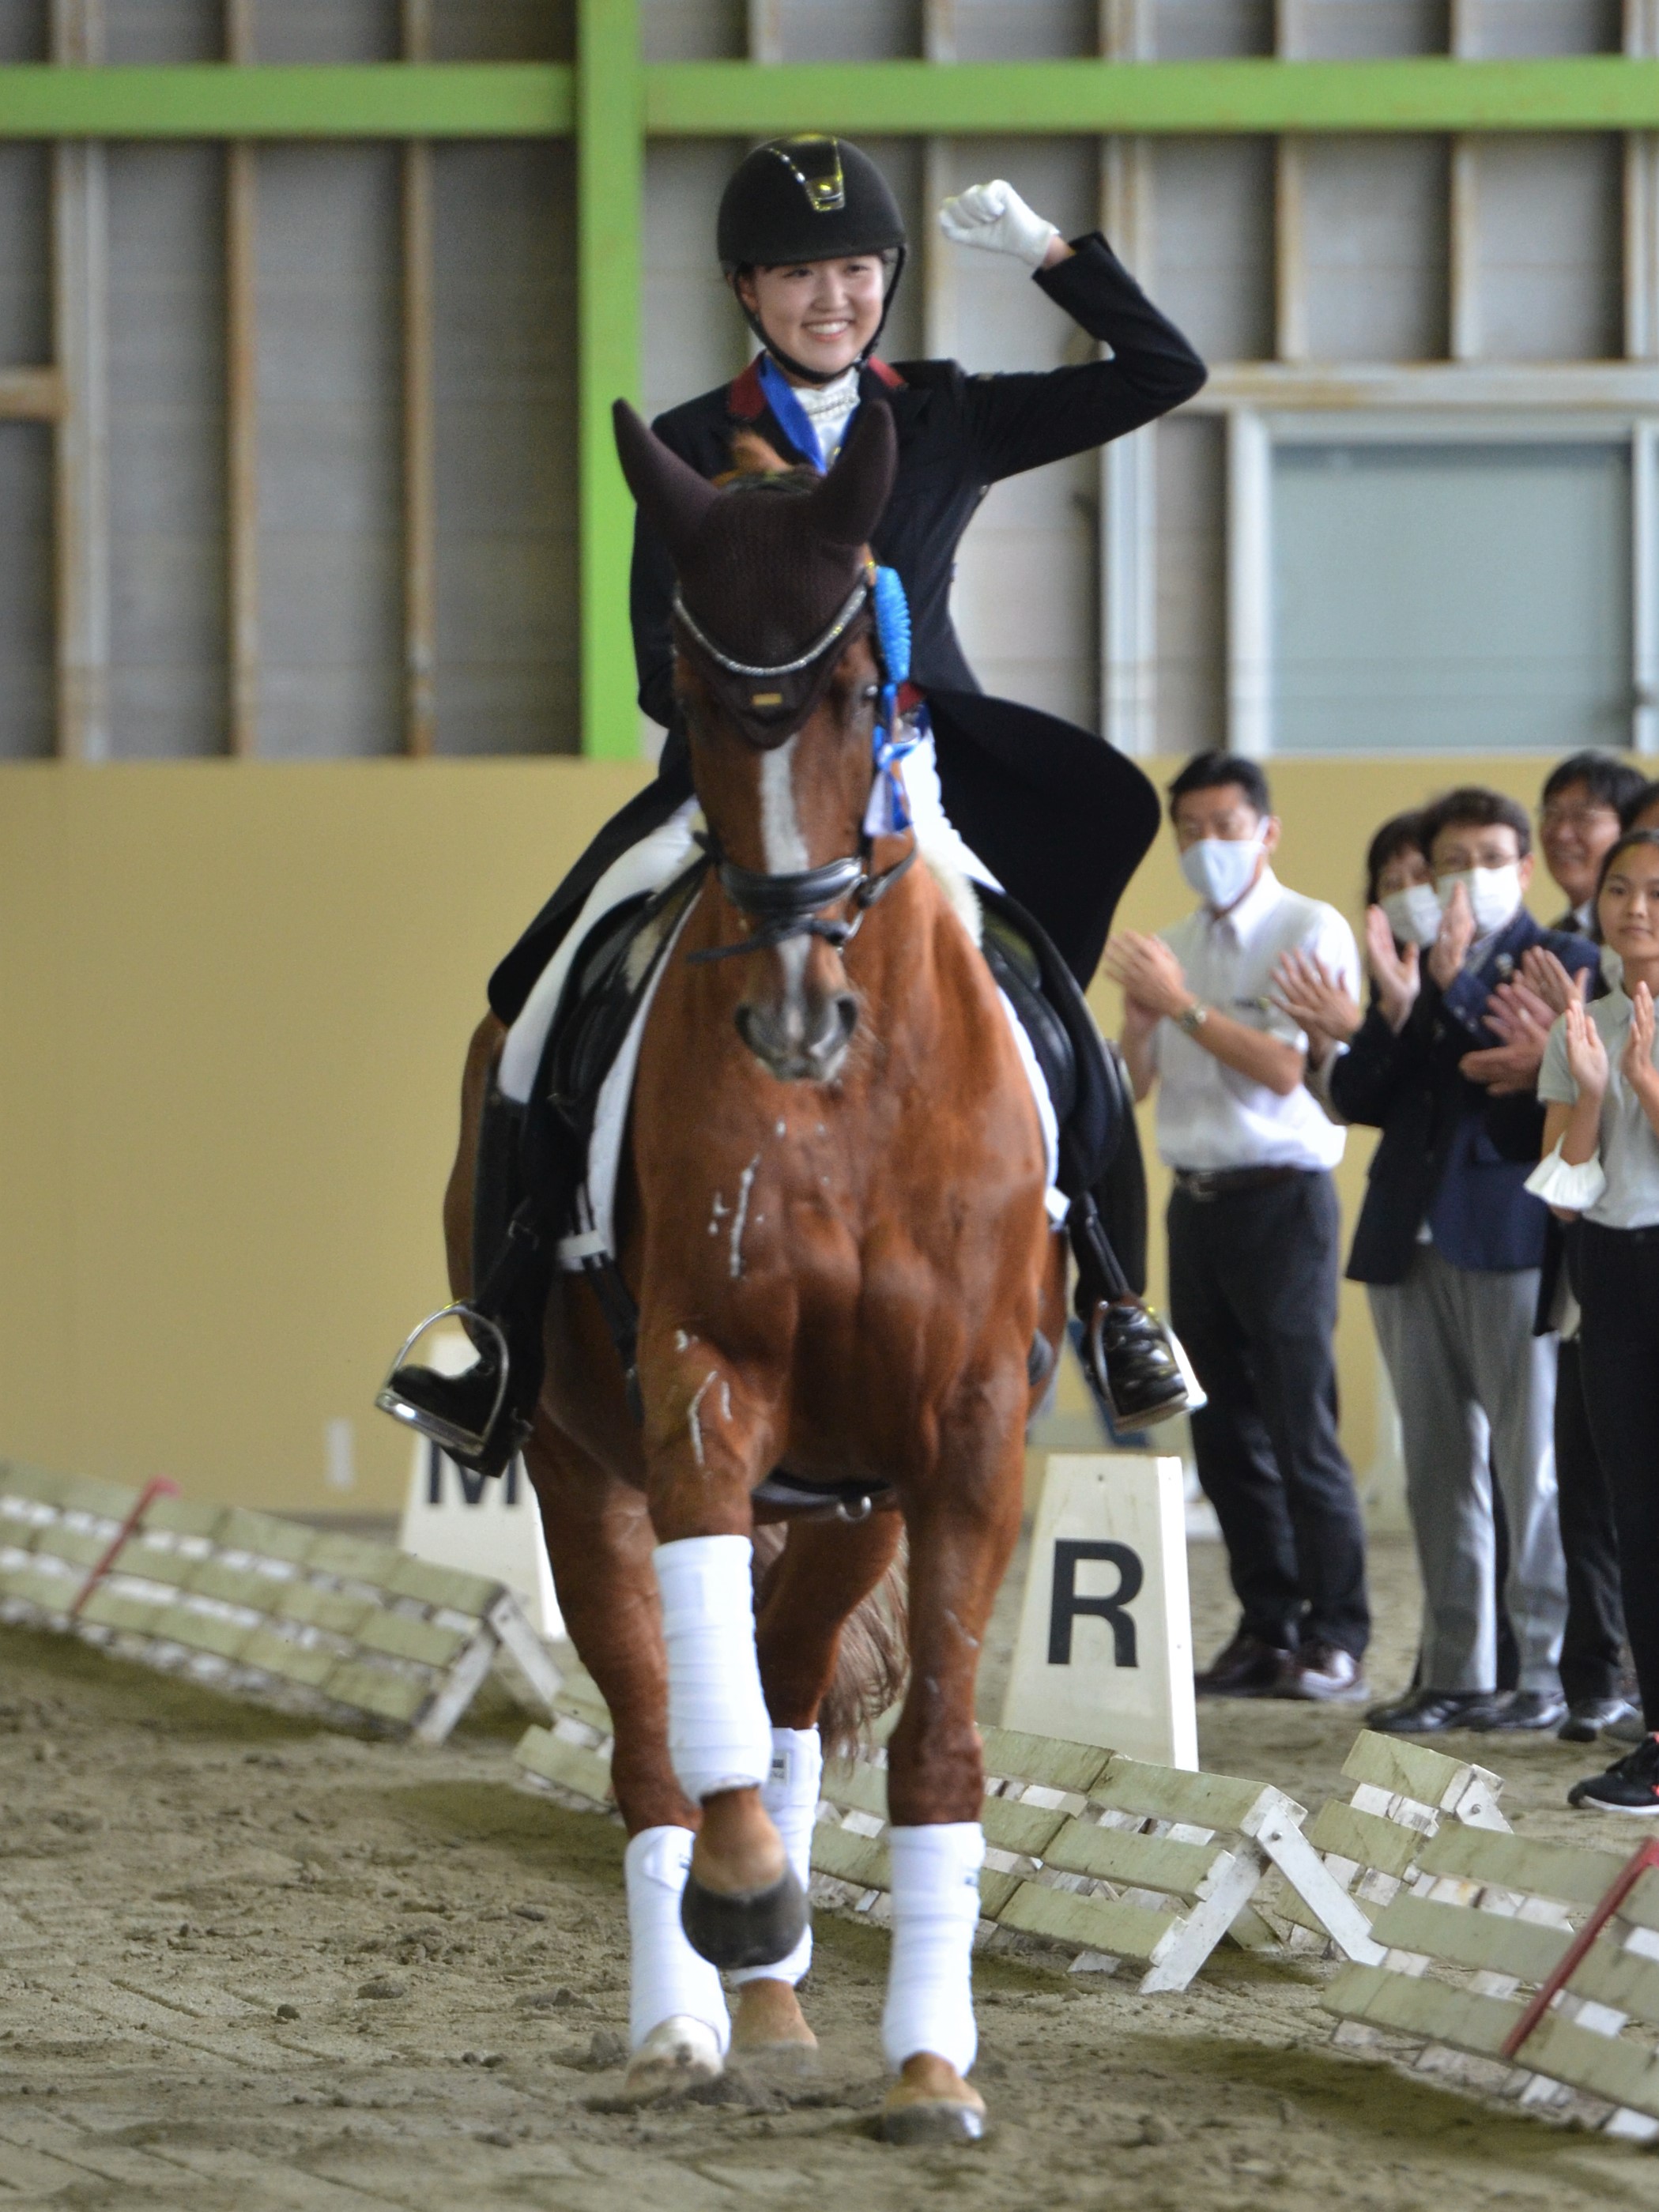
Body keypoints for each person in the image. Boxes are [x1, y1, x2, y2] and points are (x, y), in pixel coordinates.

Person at [383, 135, 1208, 1475]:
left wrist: (1052, 253)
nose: (830, 296)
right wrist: (766, 737)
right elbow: (661, 643)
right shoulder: (687, 445)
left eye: (854, 267)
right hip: (735, 788)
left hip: (907, 784)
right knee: (530, 1001)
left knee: (1053, 1005)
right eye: (796, 273)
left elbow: (1165, 373)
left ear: (885, 276)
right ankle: (493, 1328)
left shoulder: (943, 413)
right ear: (744, 289)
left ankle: (1117, 1302)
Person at [1103, 752, 1371, 1704]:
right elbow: (1134, 1086)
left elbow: (1284, 1069)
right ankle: (1267, 1626)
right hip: (1198, 1198)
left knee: (1302, 1427)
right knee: (1220, 1435)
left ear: (1266, 831)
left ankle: (1336, 1634)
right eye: (1190, 830)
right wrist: (1142, 1024)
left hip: (1283, 1198)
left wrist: (1178, 1004)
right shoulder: (1173, 942)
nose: (1206, 846)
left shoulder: (1307, 928)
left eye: (1224, 827)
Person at [1330, 787, 1596, 1735]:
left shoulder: (1563, 960)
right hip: (1406, 1238)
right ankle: (1455, 1671)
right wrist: (1404, 1003)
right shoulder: (1410, 965)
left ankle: (1545, 1673)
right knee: (1435, 1474)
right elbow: (1357, 1091)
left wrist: (1447, 998)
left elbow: (1533, 1103)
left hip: (1510, 1238)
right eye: (1451, 860)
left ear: (1520, 867)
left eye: (1489, 856)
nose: (1466, 877)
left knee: (1529, 1472)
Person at [1529, 828, 1659, 1810]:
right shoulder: (1582, 1021)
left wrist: (1648, 1091)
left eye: (1654, 891)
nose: (1633, 908)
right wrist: (1593, 1092)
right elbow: (1563, 1193)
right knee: (1634, 1515)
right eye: (1618, 889)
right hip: (1607, 1272)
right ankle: (1652, 1736)